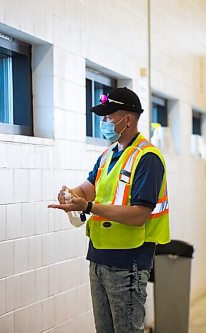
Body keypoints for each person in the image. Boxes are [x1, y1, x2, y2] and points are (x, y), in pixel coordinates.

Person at [48, 87, 170, 333]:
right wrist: (70, 195)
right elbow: (88, 188)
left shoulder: (147, 158)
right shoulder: (108, 155)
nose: (103, 122)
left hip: (129, 262)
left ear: (128, 119)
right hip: (98, 257)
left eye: (108, 116)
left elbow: (139, 215)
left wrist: (89, 207)